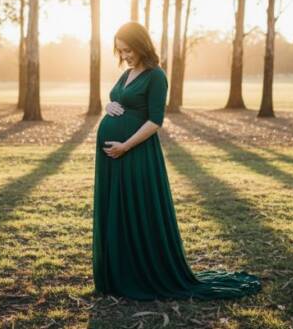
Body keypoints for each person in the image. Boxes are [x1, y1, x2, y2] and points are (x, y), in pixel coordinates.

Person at [92, 21, 262, 301]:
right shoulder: (127, 73)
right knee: (117, 211)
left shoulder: (156, 75)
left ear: (141, 45)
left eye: (129, 50)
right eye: (120, 52)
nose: (125, 56)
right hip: (114, 159)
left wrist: (125, 146)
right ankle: (118, 272)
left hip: (136, 155)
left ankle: (141, 273)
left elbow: (155, 121)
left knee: (137, 211)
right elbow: (118, 101)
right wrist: (108, 105)